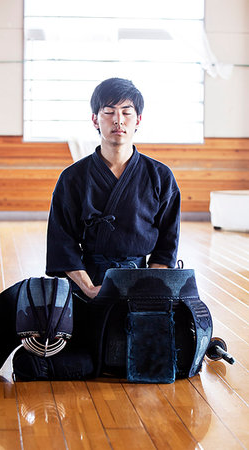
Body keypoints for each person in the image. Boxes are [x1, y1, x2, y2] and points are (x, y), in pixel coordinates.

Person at [46, 77, 180, 299]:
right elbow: (62, 242)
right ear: (95, 119)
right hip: (87, 282)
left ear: (138, 120)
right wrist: (89, 289)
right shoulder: (72, 178)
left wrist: (147, 287)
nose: (118, 120)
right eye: (109, 112)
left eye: (126, 112)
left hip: (143, 282)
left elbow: (167, 244)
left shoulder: (160, 176)